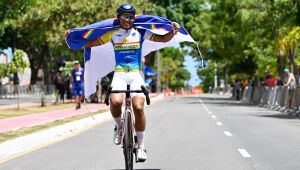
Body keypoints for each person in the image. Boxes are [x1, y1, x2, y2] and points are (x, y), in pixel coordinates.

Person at [65, 3, 180, 162]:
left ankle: (141, 146)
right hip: (119, 74)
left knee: (138, 107)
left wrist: (173, 31)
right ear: (118, 17)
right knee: (115, 101)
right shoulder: (112, 34)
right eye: (125, 16)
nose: (128, 19)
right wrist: (73, 39)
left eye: (131, 17)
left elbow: (162, 38)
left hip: (135, 75)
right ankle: (119, 126)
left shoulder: (140, 32)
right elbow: (91, 43)